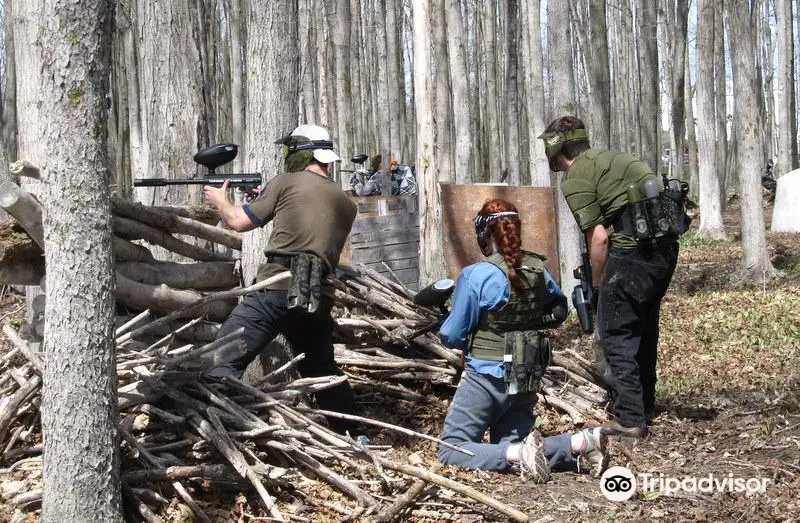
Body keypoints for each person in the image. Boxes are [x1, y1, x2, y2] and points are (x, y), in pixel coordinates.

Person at [203, 123, 360, 435]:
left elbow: (237, 221)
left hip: (277, 287)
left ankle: (234, 429)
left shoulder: (286, 182)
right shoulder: (347, 203)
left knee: (223, 359)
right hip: (317, 293)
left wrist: (221, 201)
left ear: (300, 152)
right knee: (322, 371)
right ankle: (357, 435)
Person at [436, 198, 608, 482]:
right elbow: (557, 310)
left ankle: (522, 454)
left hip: (486, 377)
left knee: (451, 450)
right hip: (525, 375)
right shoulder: (538, 269)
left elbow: (451, 335)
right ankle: (580, 444)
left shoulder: (477, 275)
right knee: (510, 447)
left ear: (486, 234)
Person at [538, 116, 682, 439]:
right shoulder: (609, 159)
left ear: (556, 148)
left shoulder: (575, 177)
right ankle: (643, 405)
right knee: (643, 327)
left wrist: (599, 286)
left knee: (616, 333)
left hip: (634, 253)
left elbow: (599, 238)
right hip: (664, 251)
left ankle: (631, 419)